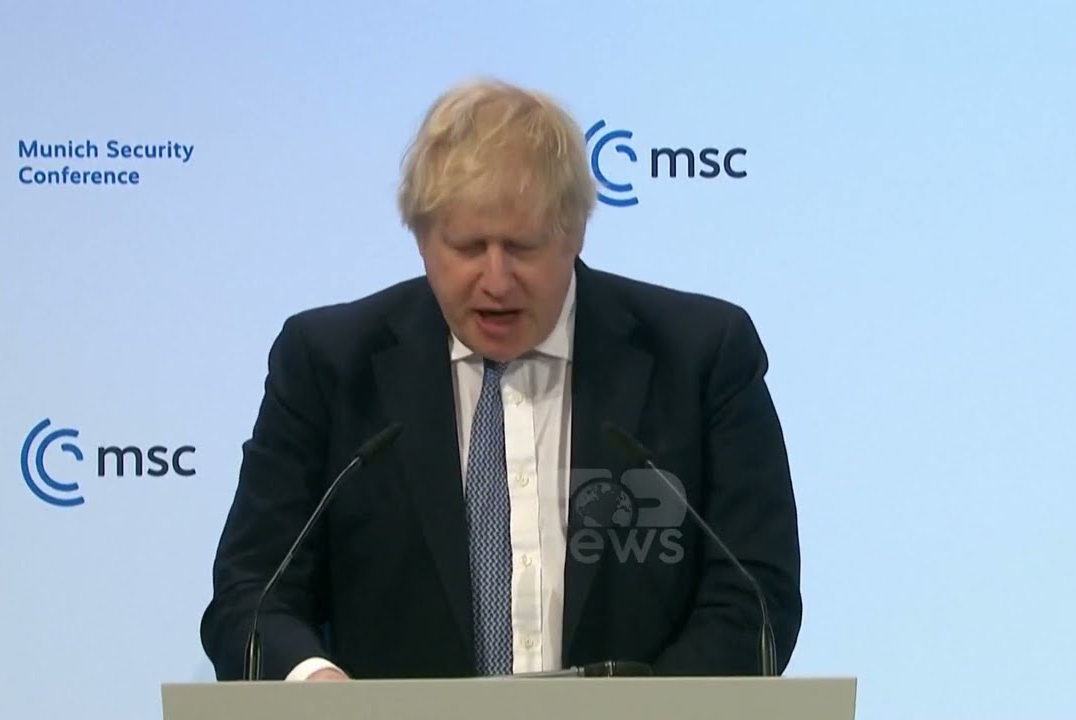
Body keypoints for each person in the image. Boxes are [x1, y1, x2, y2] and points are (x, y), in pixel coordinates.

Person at [200, 78, 802, 681]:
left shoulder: (700, 358)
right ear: (421, 238)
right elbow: (251, 594)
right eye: (468, 247)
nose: (495, 281)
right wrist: (314, 687)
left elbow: (755, 598)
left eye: (521, 247)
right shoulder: (327, 366)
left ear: (575, 231)